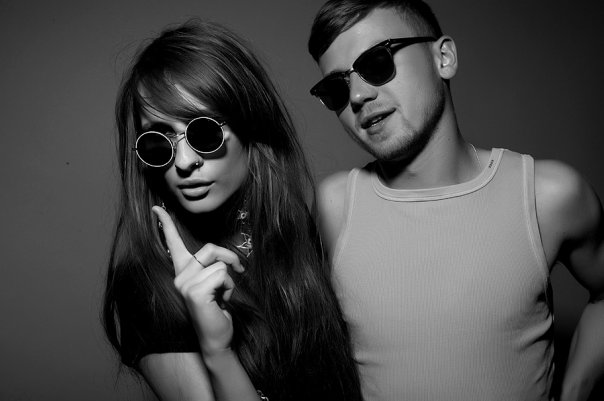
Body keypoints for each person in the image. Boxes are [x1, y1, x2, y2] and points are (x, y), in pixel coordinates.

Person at [307, 1, 604, 400]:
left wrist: (574, 390)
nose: (358, 95)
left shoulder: (546, 195)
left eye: (376, 63)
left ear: (443, 57)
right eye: (336, 88)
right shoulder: (335, 207)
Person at [102, 20, 363, 401]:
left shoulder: (297, 229)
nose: (184, 162)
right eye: (159, 141)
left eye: (203, 132)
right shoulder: (147, 284)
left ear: (250, 127)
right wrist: (217, 350)